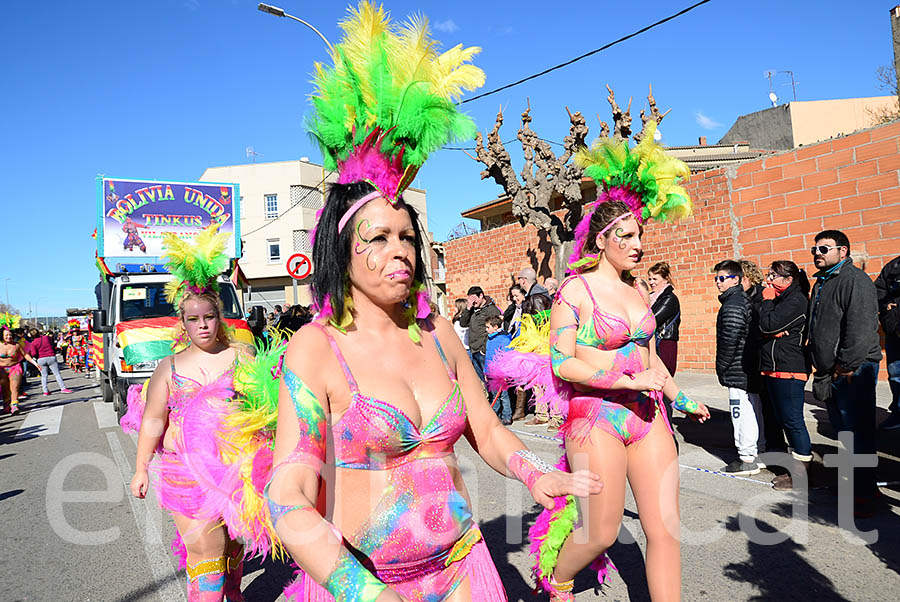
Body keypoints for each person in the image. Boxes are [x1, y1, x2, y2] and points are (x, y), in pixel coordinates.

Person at [265, 7, 601, 600]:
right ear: (341, 251)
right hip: (365, 583)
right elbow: (288, 497)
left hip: (465, 566)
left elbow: (488, 429)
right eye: (378, 238)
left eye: (407, 237)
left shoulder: (439, 332)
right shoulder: (315, 350)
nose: (400, 253)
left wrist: (535, 473)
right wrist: (365, 593)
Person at [535, 123, 709, 601]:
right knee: (601, 532)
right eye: (627, 236)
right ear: (603, 239)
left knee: (666, 530)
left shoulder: (638, 292)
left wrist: (683, 397)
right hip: (595, 419)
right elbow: (562, 365)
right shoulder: (576, 290)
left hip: (649, 417)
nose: (637, 244)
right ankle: (559, 578)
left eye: (639, 235)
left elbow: (653, 362)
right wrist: (623, 377)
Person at [128, 226, 251, 601]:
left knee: (231, 545)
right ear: (182, 322)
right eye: (193, 319)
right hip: (186, 472)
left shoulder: (243, 357)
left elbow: (266, 410)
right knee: (205, 553)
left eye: (208, 317)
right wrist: (141, 467)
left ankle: (233, 590)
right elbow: (153, 420)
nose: (202, 325)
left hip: (236, 469)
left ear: (220, 317)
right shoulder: (170, 366)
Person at [807, 229, 882, 516]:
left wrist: (846, 365)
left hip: (853, 369)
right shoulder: (823, 282)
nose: (817, 254)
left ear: (843, 252)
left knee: (858, 433)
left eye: (824, 249)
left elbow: (862, 329)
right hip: (832, 370)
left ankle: (864, 496)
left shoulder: (855, 281)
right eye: (815, 249)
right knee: (845, 432)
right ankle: (864, 484)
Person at [758, 261, 812, 490]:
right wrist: (771, 330)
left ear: (789, 280)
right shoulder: (781, 299)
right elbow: (764, 327)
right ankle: (791, 468)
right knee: (782, 420)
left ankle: (802, 476)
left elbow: (767, 324)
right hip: (773, 367)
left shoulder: (796, 300)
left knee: (793, 422)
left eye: (774, 276)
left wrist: (768, 302)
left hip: (790, 368)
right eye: (768, 275)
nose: (769, 280)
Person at [714, 259, 765, 475]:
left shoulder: (733, 303)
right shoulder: (741, 300)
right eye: (716, 278)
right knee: (752, 408)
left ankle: (747, 458)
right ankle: (757, 452)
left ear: (736, 279)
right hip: (746, 365)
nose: (718, 282)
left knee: (740, 411)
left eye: (723, 278)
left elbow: (730, 337)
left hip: (737, 367)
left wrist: (722, 366)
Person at [740, 258, 785, 455]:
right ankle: (764, 442)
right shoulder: (744, 297)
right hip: (754, 357)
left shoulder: (761, 297)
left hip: (765, 357)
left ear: (749, 277)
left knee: (770, 406)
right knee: (760, 404)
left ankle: (776, 447)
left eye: (739, 277)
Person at [875, 253, 900, 430]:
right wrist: (885, 306)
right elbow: (878, 291)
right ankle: (898, 413)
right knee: (896, 373)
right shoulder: (894, 266)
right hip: (894, 331)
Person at [459, 286, 500, 385]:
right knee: (483, 381)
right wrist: (468, 308)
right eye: (470, 299)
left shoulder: (491, 310)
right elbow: (463, 323)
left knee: (492, 382)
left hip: (484, 352)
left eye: (474, 298)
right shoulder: (473, 310)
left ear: (481, 295)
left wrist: (483, 349)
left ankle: (495, 400)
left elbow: (495, 330)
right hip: (474, 350)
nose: (473, 302)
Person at [647, 262, 680, 376]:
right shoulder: (651, 297)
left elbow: (651, 320)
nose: (651, 282)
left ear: (665, 279)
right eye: (650, 279)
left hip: (664, 342)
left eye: (655, 279)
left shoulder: (669, 299)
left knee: (664, 376)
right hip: (654, 342)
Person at [0, 327, 41, 413]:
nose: (9, 337)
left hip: (15, 368)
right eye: (6, 335)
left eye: (10, 335)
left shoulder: (17, 345)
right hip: (2, 369)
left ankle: (14, 405)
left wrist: (35, 364)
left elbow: (25, 355)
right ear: (2, 336)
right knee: (5, 388)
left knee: (14, 388)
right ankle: (6, 405)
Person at [485, 315, 514, 425]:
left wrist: (506, 373)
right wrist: (485, 371)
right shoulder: (490, 339)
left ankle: (507, 416)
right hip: (491, 372)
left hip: (501, 373)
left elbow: (508, 356)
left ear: (496, 326)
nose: (486, 329)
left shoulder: (504, 339)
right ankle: (494, 414)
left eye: (488, 327)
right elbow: (488, 356)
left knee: (504, 396)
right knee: (494, 395)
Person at [30, 329, 72, 395]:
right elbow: (52, 343)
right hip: (51, 356)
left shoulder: (33, 343)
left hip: (41, 359)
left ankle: (45, 391)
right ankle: (63, 388)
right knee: (57, 374)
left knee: (44, 376)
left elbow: (33, 353)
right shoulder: (46, 338)